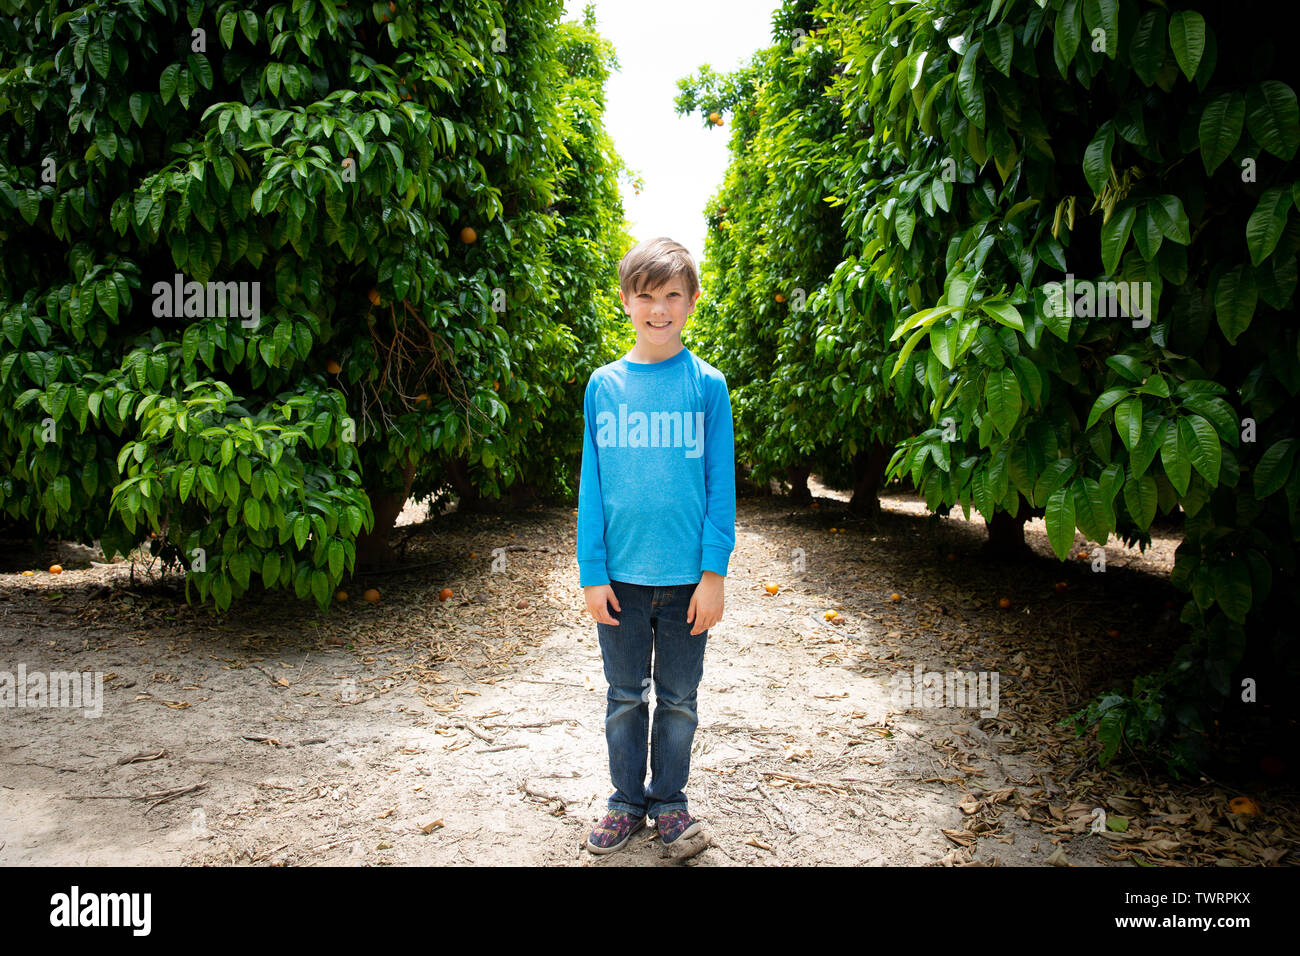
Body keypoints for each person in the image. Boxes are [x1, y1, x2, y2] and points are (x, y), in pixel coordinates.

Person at [576, 237, 736, 854]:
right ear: (625, 301)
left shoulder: (707, 387)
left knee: (677, 698)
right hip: (620, 578)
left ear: (692, 302)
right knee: (623, 696)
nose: (659, 309)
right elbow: (591, 486)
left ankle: (669, 801)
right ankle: (625, 800)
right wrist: (593, 571)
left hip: (685, 584)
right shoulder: (603, 386)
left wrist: (712, 572)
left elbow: (719, 486)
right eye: (646, 296)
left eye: (673, 295)